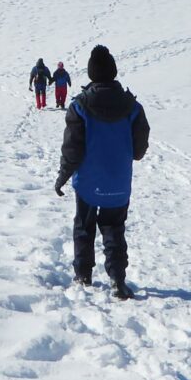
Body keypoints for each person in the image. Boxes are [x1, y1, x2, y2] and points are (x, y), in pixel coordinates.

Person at [54, 46, 150, 299]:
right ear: (113, 71)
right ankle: (118, 279)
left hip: (87, 182)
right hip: (118, 181)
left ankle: (83, 274)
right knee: (114, 228)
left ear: (91, 74)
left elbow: (72, 149)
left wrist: (62, 176)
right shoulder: (133, 107)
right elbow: (139, 150)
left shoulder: (80, 106)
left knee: (84, 227)